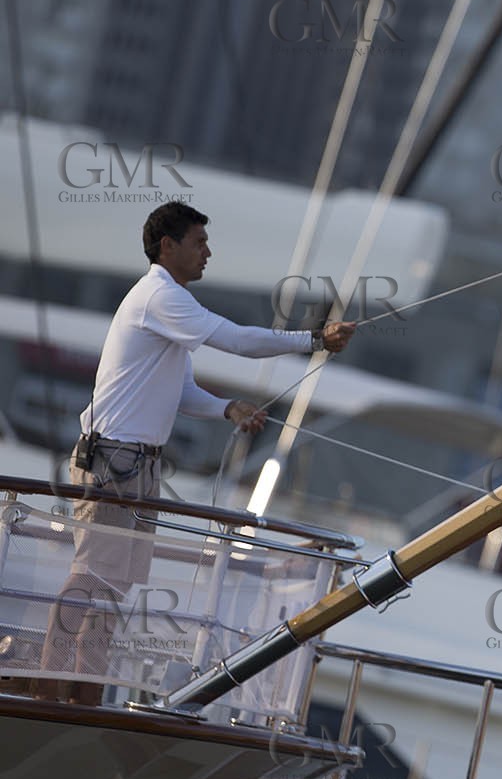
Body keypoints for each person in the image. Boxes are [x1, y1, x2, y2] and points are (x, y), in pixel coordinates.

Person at [32, 201, 354, 704]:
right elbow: (236, 340)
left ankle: (84, 685)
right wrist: (313, 338)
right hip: (115, 460)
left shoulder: (167, 304)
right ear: (169, 246)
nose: (208, 253)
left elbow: (180, 390)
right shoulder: (159, 295)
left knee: (112, 583)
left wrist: (227, 408)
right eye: (199, 242)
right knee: (94, 573)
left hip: (132, 463)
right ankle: (52, 684)